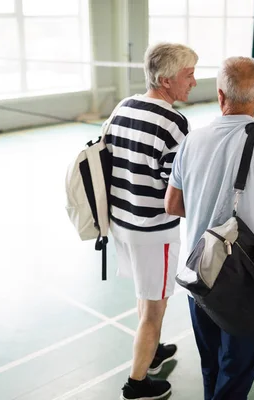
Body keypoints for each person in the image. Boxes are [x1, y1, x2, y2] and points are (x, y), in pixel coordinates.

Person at [165, 56, 254, 400]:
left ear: (220, 94)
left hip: (199, 274)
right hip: (246, 280)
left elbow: (172, 205)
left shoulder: (192, 141)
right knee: (236, 371)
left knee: (210, 362)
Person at [103, 42, 198, 400]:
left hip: (121, 224)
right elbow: (174, 190)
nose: (193, 82)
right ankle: (137, 383)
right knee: (154, 308)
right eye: (188, 75)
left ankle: (152, 349)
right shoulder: (174, 123)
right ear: (165, 80)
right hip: (152, 230)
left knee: (146, 294)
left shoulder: (124, 106)